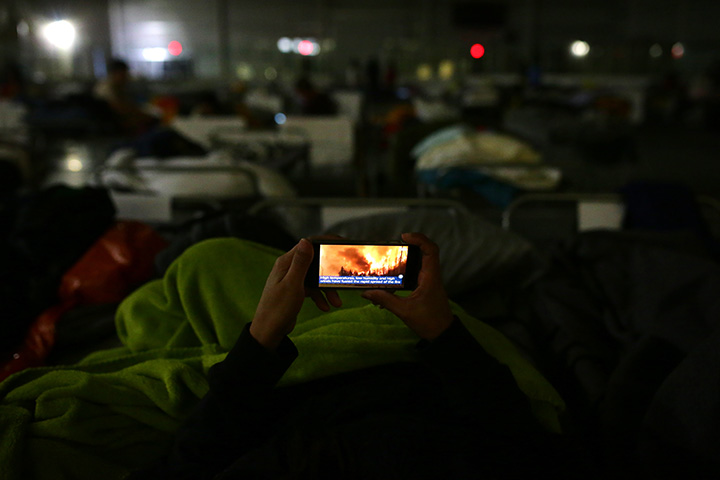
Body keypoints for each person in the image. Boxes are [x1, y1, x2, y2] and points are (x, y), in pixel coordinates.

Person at [129, 233, 582, 479]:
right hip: (426, 357)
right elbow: (528, 450)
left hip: (282, 372)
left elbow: (188, 462)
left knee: (204, 263)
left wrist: (263, 338)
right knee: (214, 261)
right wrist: (440, 328)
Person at [93, 59, 158, 134]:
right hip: (110, 126)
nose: (126, 78)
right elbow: (120, 109)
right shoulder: (105, 88)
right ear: (115, 73)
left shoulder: (120, 88)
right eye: (123, 74)